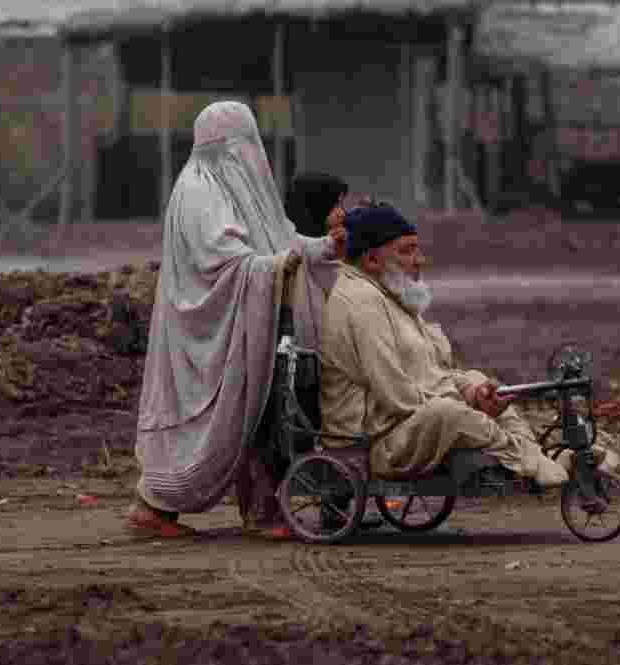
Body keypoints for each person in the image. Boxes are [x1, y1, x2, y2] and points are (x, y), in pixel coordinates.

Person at [127, 101, 344, 540]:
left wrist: (321, 248)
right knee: (235, 417)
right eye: (242, 144)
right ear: (223, 146)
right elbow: (225, 260)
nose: (250, 154)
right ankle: (154, 507)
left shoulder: (231, 188)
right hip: (209, 332)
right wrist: (274, 267)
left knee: (265, 412)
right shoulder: (198, 192)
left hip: (247, 324)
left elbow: (278, 238)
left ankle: (262, 509)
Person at [317, 203, 571, 488]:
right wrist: (466, 405)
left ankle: (533, 456)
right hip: (378, 442)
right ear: (372, 259)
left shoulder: (389, 294)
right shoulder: (360, 300)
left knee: (480, 382)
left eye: (416, 249)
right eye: (406, 251)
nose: (419, 260)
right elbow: (396, 396)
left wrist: (474, 394)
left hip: (408, 425)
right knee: (448, 413)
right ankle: (530, 462)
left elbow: (436, 371)